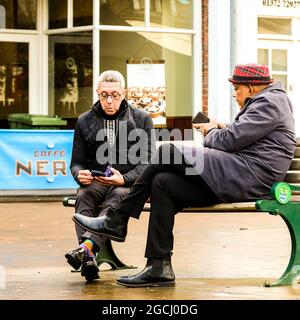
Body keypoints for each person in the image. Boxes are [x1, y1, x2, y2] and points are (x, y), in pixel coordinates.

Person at [72, 63, 296, 287]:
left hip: (247, 175)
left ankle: (116, 219)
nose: (235, 95)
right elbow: (242, 137)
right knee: (163, 183)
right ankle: (159, 267)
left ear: (251, 87)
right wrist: (223, 127)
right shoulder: (268, 102)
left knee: (168, 152)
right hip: (239, 173)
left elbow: (228, 141)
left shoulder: (269, 102)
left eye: (237, 89)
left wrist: (212, 131)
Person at [65, 70, 155, 281]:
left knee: (118, 196)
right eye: (104, 94)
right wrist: (80, 175)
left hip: (128, 183)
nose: (109, 100)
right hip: (97, 181)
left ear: (124, 93)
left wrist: (124, 178)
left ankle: (86, 251)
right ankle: (89, 256)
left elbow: (148, 162)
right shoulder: (84, 121)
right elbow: (76, 162)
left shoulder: (142, 119)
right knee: (84, 194)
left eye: (114, 95)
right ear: (97, 92)